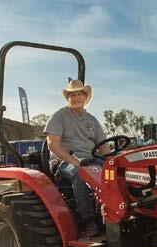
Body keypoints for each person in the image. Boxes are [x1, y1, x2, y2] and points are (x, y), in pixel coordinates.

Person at [44, 79, 110, 237]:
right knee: (80, 174)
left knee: (115, 173)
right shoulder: (59, 116)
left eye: (79, 94)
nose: (76, 98)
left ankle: (112, 213)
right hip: (63, 161)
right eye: (72, 95)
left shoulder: (92, 120)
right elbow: (53, 145)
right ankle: (88, 220)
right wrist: (74, 161)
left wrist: (112, 162)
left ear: (85, 97)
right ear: (67, 97)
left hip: (90, 159)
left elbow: (104, 147)